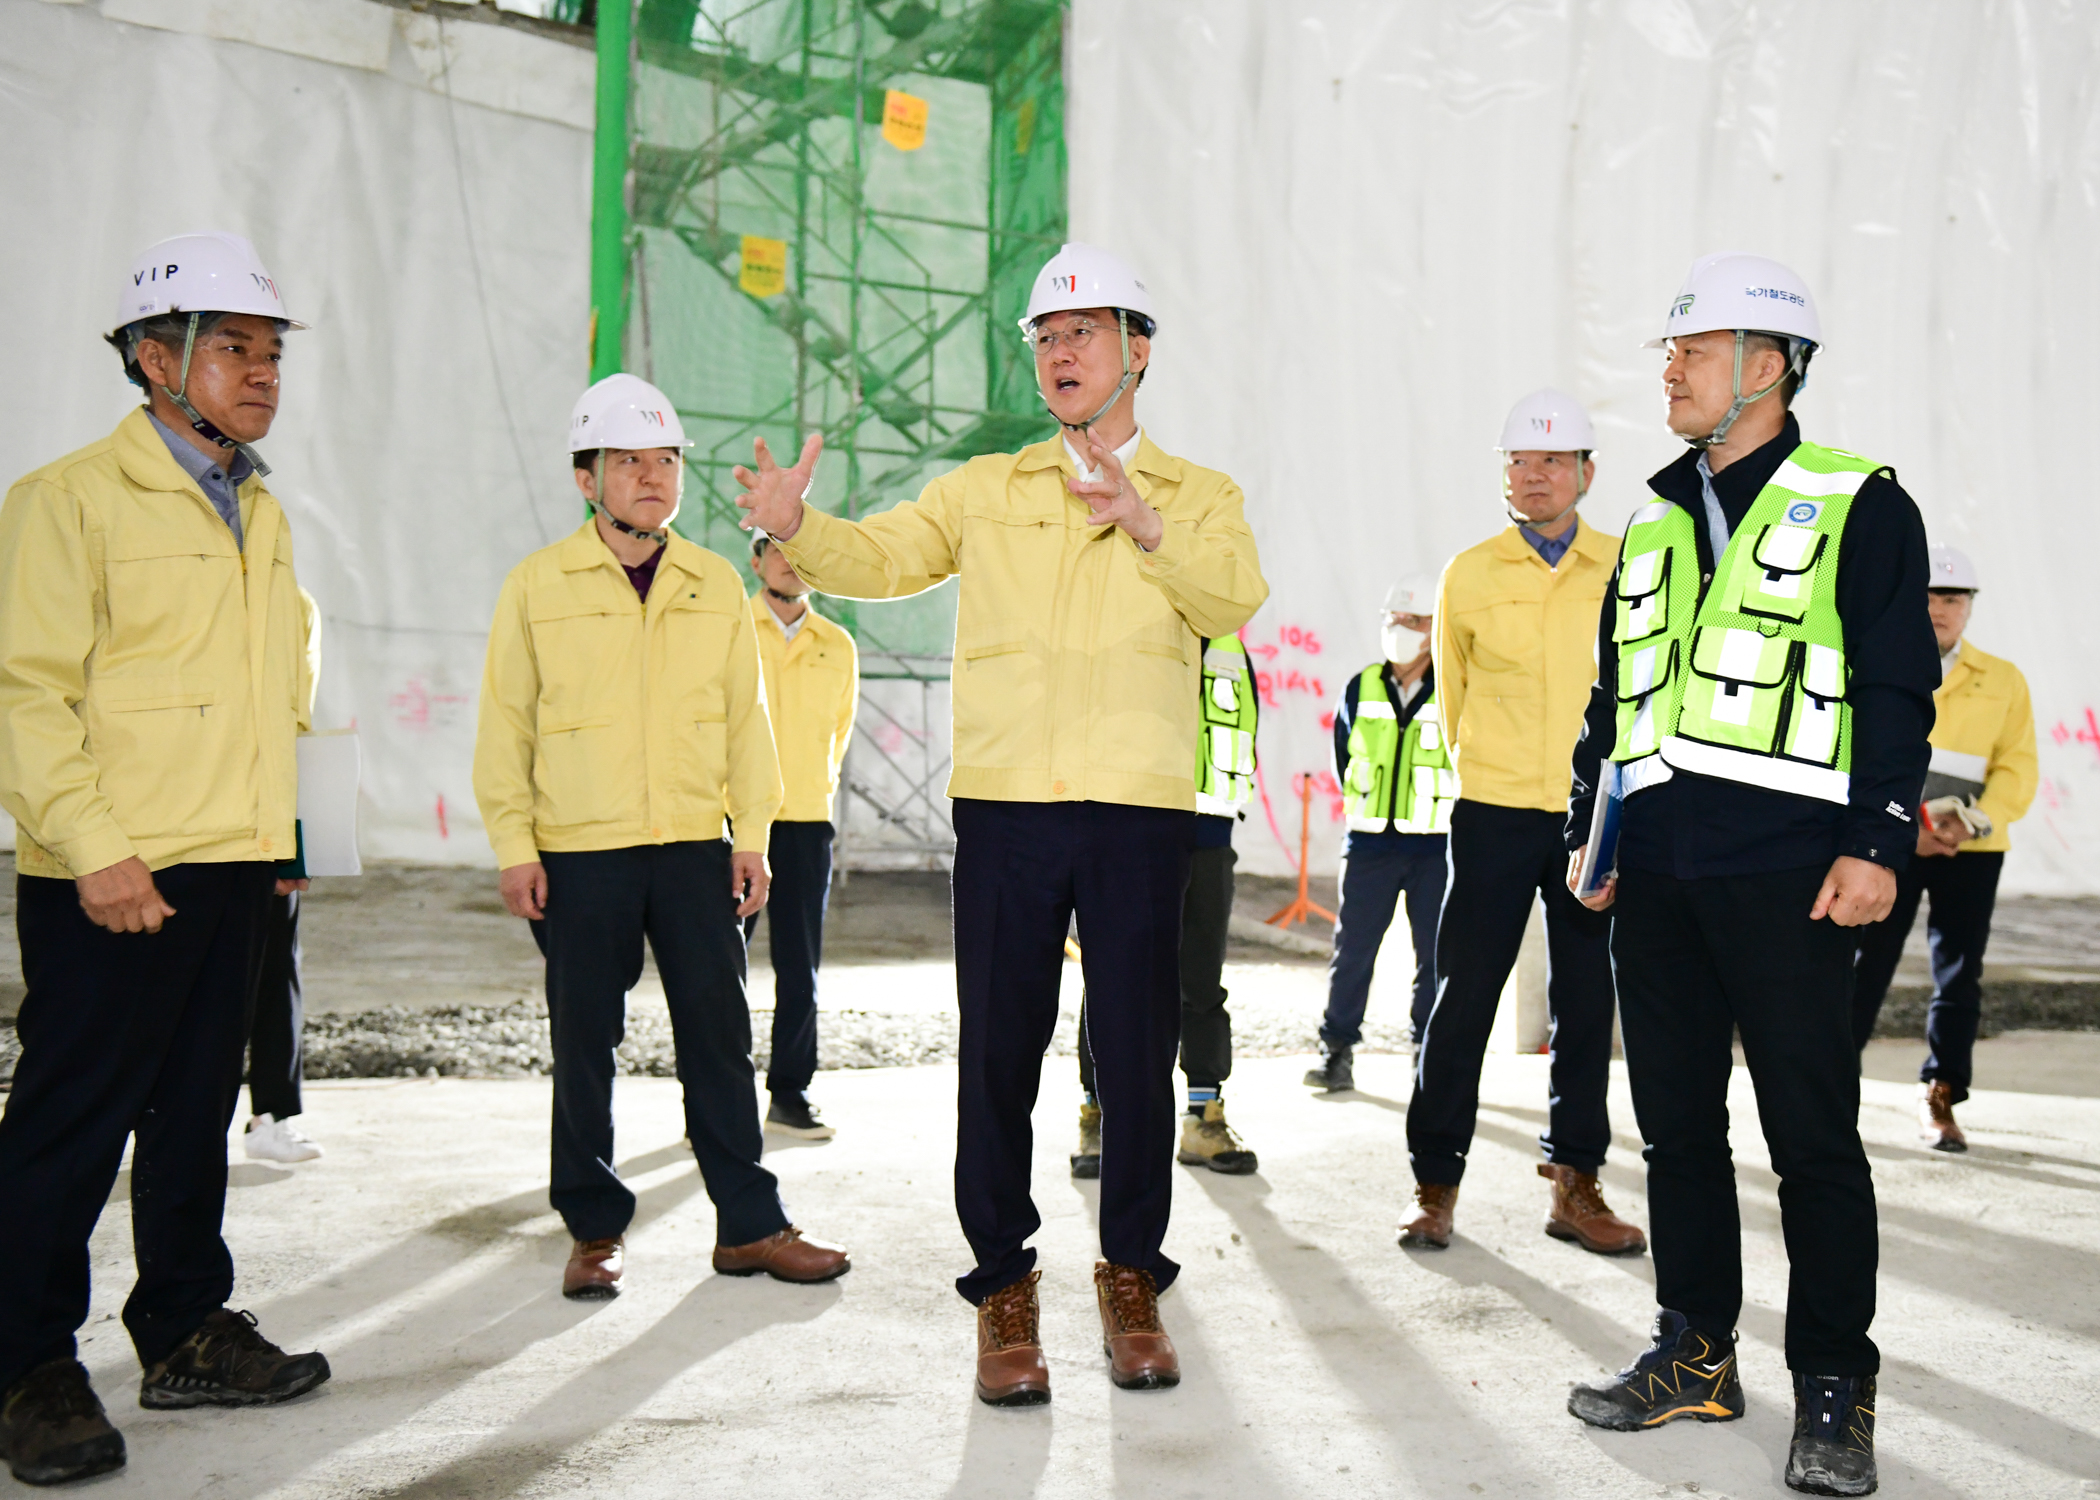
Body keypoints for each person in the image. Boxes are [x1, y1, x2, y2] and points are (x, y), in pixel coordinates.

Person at [733, 243, 1267, 1407]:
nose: (1060, 352)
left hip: (1138, 811)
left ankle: (1132, 1280)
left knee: (1136, 1056)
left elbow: (1234, 598)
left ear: (1138, 349)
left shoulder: (1201, 496)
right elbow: (884, 557)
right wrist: (800, 525)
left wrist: (1147, 524)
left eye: (1084, 333)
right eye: (1046, 336)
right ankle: (1003, 1290)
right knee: (998, 1058)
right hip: (1009, 808)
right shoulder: (985, 488)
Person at [1563, 253, 1936, 1498]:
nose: (1668, 370)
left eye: (1695, 350)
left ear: (1767, 367)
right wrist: (1592, 832)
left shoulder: (1857, 502)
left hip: (1792, 867)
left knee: (1811, 1136)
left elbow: (1896, 683)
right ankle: (1695, 1350)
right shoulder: (1655, 519)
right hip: (1658, 868)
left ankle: (1833, 1382)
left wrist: (1879, 841)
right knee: (1676, 1128)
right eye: (1670, 351)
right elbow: (1617, 696)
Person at [0, 234, 331, 1488]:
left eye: (272, 351)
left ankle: (184, 1324)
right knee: (72, 1125)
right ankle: (27, 1363)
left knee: (194, 1115)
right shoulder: (69, 500)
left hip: (232, 864)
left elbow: (276, 693)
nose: (262, 373)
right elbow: (26, 694)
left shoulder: (262, 508)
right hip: (116, 876)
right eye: (232, 348)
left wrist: (285, 839)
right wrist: (95, 852)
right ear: (154, 358)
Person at [473, 373, 850, 1305]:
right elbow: (505, 728)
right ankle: (594, 1229)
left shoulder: (713, 583)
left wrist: (751, 836)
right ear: (586, 478)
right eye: (629, 461)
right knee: (585, 1045)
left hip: (691, 846)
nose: (652, 477)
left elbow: (746, 723)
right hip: (580, 850)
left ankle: (750, 1225)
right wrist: (515, 846)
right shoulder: (537, 586)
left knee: (719, 1040)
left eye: (666, 460)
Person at [1400, 390, 1645, 1259]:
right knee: (1463, 997)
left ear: (1586, 473)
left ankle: (1576, 1183)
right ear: (1504, 474)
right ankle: (1434, 1184)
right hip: (1496, 812)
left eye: (1553, 461)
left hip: (1593, 816)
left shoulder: (1626, 567)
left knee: (1586, 1000)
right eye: (1520, 462)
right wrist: (1485, 774)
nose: (1535, 476)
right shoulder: (1468, 572)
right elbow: (1452, 695)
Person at [1849, 546, 2035, 1152]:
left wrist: (1971, 824)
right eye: (1927, 596)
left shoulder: (2002, 679)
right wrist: (1907, 830)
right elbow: (1855, 753)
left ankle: (1943, 1092)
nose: (1938, 609)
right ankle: (1832, 1086)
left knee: (1959, 972)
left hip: (1969, 849)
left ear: (1970, 607)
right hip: (1890, 842)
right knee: (1863, 964)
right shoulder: (1874, 664)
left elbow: (2017, 767)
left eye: (1951, 598)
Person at [1072, 629, 1261, 1179]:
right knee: (1111, 979)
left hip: (1207, 840)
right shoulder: (1123, 629)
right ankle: (1098, 1115)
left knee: (1201, 985)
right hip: (1126, 839)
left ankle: (1203, 1118)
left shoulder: (1228, 648)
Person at [1305, 575, 1454, 1091]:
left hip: (1436, 846)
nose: (1400, 628)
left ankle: (1429, 1057)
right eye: (1394, 618)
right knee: (1353, 952)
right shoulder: (1361, 685)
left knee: (1434, 956)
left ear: (1435, 628)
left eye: (1413, 620)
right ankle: (1336, 1052)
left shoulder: (1454, 689)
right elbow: (1343, 757)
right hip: (1369, 843)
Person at [745, 533, 859, 1141]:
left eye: (801, 552)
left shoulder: (836, 645)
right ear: (756, 561)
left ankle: (790, 1094)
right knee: (718, 966)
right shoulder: (729, 630)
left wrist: (813, 789)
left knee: (800, 966)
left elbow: (839, 733)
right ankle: (713, 1098)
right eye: (777, 551)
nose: (790, 563)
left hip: (806, 824)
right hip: (733, 824)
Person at [244, 588, 327, 1165]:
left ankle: (271, 1115)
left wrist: (289, 846)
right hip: (173, 824)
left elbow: (295, 725)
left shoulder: (294, 604)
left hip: (261, 819)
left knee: (274, 969)